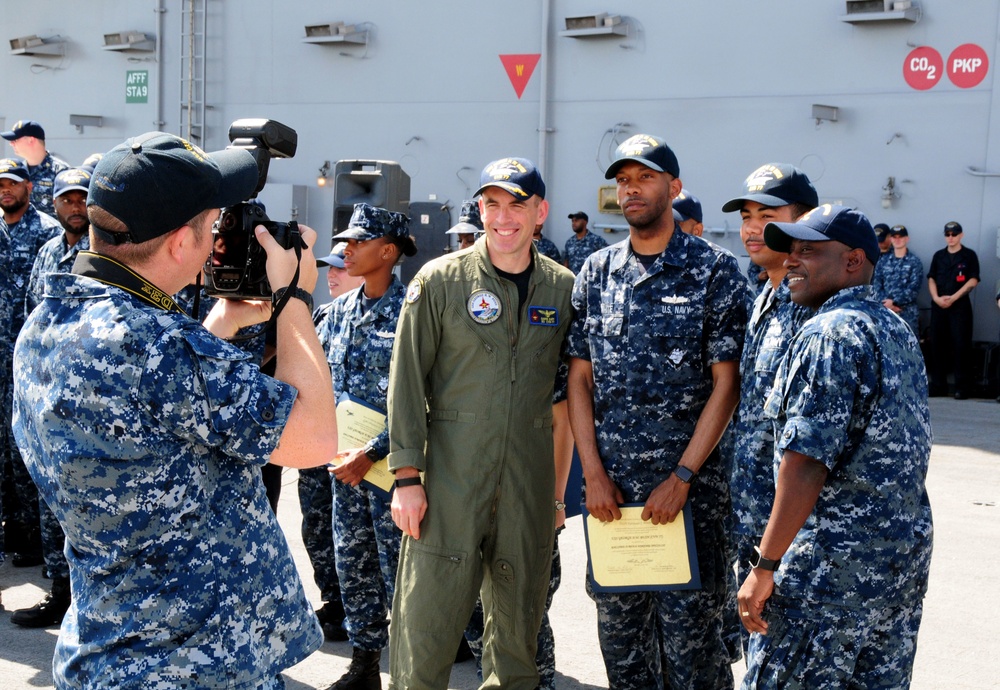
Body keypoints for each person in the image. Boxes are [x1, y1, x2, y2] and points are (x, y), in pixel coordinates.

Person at [11, 131, 338, 688]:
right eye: (213, 226)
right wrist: (295, 301)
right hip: (192, 662)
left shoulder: (50, 322)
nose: (219, 239)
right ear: (178, 244)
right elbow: (313, 438)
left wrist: (224, 323)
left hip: (109, 648)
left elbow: (156, 404)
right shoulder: (158, 347)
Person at [567, 134, 749, 689]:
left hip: (689, 504)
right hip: (613, 504)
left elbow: (727, 385)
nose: (631, 190)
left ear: (673, 187)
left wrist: (682, 476)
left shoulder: (715, 271)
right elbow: (579, 378)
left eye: (643, 178)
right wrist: (591, 475)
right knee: (624, 659)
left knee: (695, 660)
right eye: (623, 180)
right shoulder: (597, 272)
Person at [387, 157, 574, 690]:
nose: (504, 217)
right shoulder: (440, 281)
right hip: (450, 482)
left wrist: (557, 496)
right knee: (425, 631)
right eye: (492, 204)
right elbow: (406, 383)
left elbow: (566, 400)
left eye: (517, 204)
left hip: (527, 486)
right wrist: (406, 479)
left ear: (541, 211)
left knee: (516, 644)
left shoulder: (563, 289)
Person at [739, 204, 933, 689]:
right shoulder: (896, 329)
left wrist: (765, 565)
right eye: (790, 251)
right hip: (893, 570)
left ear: (852, 261)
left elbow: (805, 464)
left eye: (808, 251)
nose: (791, 262)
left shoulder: (829, 332)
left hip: (825, 577)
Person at [721, 162, 818, 659]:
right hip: (754, 513)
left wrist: (774, 552)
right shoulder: (767, 293)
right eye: (747, 216)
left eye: (768, 214)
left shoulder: (813, 306)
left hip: (793, 530)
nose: (753, 227)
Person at [319, 204, 416, 690]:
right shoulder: (333, 315)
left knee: (404, 574)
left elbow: (425, 398)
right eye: (345, 241)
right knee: (353, 566)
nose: (346, 249)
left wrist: (373, 452)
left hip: (394, 471)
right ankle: (363, 664)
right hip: (343, 469)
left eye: (359, 241)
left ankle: (412, 668)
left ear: (389, 251)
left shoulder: (414, 315)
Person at [12, 168, 94, 629]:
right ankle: (59, 592)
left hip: (84, 393)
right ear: (56, 203)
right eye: (67, 199)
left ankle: (85, 600)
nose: (75, 206)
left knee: (83, 497)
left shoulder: (104, 251)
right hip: (45, 390)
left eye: (83, 199)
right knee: (48, 492)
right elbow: (31, 314)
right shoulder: (48, 252)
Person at [299, 240, 364, 643]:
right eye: (329, 266)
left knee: (370, 541)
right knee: (319, 528)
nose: (332, 273)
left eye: (342, 266)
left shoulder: (402, 314)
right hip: (322, 445)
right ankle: (336, 603)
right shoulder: (323, 315)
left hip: (367, 450)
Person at [0, 157, 60, 569]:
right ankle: (14, 534)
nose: (5, 190)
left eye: (12, 183)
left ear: (29, 187)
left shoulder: (48, 233)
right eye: (0, 184)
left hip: (27, 361)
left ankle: (37, 542)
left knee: (26, 448)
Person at [928, 221, 979, 398]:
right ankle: (938, 386)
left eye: (954, 234)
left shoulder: (969, 255)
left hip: (959, 307)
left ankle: (961, 387)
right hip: (939, 306)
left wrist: (954, 298)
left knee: (960, 346)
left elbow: (973, 280)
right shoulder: (938, 256)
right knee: (937, 345)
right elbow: (932, 278)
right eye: (948, 234)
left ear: (961, 235)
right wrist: (936, 298)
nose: (951, 237)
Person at [1, 120, 70, 216]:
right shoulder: (17, 171)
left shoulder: (61, 171)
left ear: (31, 140)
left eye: (15, 140)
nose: (11, 143)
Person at [872, 224, 924, 335]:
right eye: (894, 237)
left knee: (911, 349)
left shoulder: (914, 262)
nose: (897, 240)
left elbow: (913, 289)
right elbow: (877, 285)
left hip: (907, 313)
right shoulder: (883, 261)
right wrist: (886, 304)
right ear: (890, 239)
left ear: (907, 239)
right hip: (885, 312)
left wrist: (894, 302)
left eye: (900, 237)